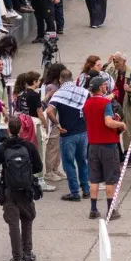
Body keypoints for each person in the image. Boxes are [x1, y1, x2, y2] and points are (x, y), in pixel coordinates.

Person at [0, 114, 43, 261]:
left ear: (8, 129)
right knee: (27, 220)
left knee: (13, 224)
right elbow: (39, 167)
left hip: (9, 191)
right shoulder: (29, 146)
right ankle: (28, 252)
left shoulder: (2, 148)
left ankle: (17, 257)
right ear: (21, 128)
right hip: (26, 190)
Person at [45, 64, 90, 202]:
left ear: (60, 80)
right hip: (83, 132)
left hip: (67, 133)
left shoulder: (59, 94)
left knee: (69, 164)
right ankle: (86, 189)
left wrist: (58, 125)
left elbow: (49, 111)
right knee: (82, 162)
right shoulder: (83, 92)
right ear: (72, 78)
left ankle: (75, 192)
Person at [83, 74, 126, 220]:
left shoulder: (87, 104)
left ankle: (93, 209)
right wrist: (120, 124)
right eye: (104, 85)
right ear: (100, 87)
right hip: (108, 145)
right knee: (110, 179)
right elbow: (108, 122)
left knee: (94, 179)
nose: (106, 86)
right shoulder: (105, 103)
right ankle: (110, 209)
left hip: (93, 145)